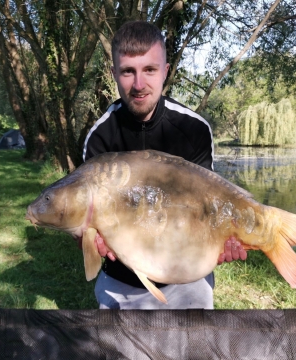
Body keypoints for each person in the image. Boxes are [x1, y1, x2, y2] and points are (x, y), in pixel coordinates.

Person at [82, 21, 247, 310]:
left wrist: (226, 237)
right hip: (121, 280)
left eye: (150, 70)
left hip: (186, 276)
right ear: (113, 75)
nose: (139, 84)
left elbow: (208, 210)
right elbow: (85, 220)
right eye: (127, 71)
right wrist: (86, 236)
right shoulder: (100, 137)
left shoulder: (193, 129)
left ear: (166, 71)